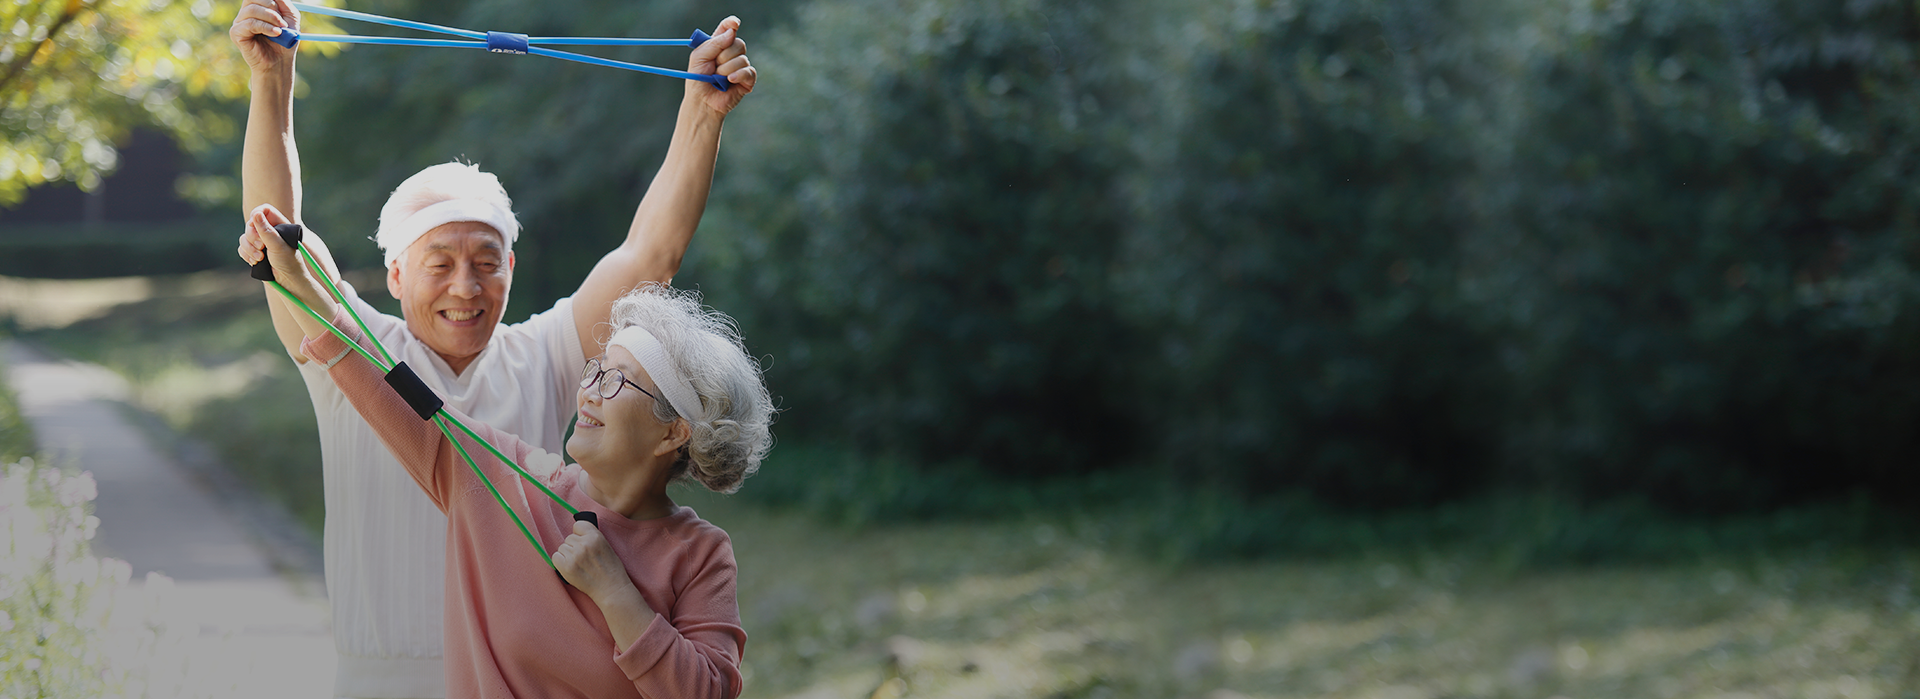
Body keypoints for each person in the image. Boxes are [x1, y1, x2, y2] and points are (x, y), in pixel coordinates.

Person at [228, 0, 756, 694]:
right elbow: (280, 236)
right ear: (394, 274)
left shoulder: (550, 358)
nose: (466, 286)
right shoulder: (354, 354)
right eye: (439, 262)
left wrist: (702, 112)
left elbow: (651, 254)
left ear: (513, 266)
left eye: (487, 259)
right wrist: (272, 82)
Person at [254, 215, 772, 695]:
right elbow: (379, 376)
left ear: (672, 432)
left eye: (617, 381)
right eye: (594, 370)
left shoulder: (700, 554)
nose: (589, 391)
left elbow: (708, 692)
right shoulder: (497, 479)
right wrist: (299, 280)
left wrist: (615, 592)